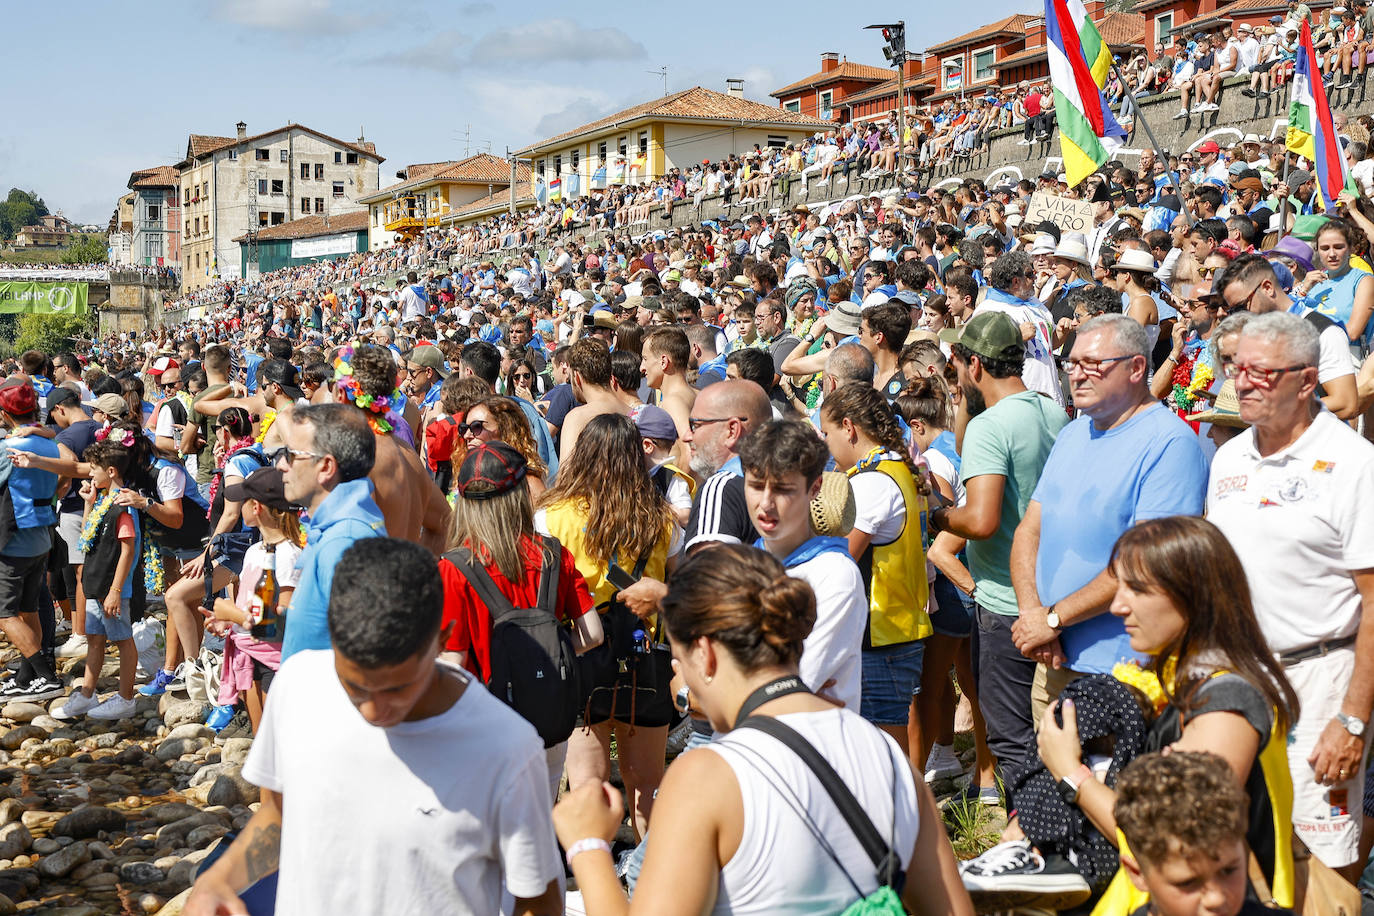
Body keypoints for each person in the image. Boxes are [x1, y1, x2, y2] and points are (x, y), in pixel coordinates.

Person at [552, 543, 973, 916]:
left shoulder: (706, 776)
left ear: (706, 654)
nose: (679, 683)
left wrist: (587, 848)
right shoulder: (883, 752)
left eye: (678, 666)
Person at [184, 538, 563, 916]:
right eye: (354, 685)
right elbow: (280, 816)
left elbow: (537, 900)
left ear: (442, 641)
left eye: (398, 687)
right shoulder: (297, 686)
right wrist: (218, 882)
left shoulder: (506, 747)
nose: (372, 709)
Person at [1035, 516, 1300, 910]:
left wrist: (1072, 776)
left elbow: (1178, 841)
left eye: (1136, 589)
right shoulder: (1183, 684)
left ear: (1193, 595)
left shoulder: (1225, 706)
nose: (1117, 604)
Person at [1206, 311, 1374, 878]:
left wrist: (1351, 720)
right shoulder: (1229, 456)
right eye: (1237, 367)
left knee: (1319, 869)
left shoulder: (1354, 465)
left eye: (1261, 372)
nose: (1242, 381)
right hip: (1234, 683)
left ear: (1306, 382)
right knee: (1234, 856)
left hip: (1318, 686)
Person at [1011, 314, 1208, 721]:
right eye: (1072, 364)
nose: (1077, 376)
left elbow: (1145, 562)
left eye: (1093, 364)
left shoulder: (1169, 443)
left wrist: (1053, 618)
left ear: (1137, 368)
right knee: (1051, 781)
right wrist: (1035, 616)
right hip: (1053, 659)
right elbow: (1030, 529)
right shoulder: (1073, 433)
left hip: (1120, 670)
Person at [928, 312, 1068, 786]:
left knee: (1011, 737)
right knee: (1052, 729)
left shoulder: (993, 427)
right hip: (1051, 594)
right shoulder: (1051, 409)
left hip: (1006, 603)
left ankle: (1030, 831)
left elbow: (981, 521)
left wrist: (938, 514)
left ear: (974, 364)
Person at [537, 413, 678, 841]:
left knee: (586, 790)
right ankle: (651, 884)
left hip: (582, 652)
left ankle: (593, 873)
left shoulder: (551, 517)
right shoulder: (660, 519)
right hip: (645, 656)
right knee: (647, 790)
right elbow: (673, 582)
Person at [438, 441, 603, 801]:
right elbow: (592, 633)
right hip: (545, 715)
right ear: (519, 495)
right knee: (540, 821)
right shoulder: (553, 555)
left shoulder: (454, 568)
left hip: (482, 728)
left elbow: (453, 663)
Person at [820, 383, 931, 759]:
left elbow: (840, 556)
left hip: (881, 633)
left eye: (827, 433)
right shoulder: (894, 466)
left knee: (882, 745)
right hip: (893, 627)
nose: (826, 443)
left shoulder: (871, 482)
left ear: (848, 428)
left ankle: (902, 815)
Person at [738, 419, 867, 710]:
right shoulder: (742, 566)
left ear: (815, 488)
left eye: (783, 489)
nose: (766, 504)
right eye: (756, 486)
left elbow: (792, 685)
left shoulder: (835, 575)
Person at [277, 404, 387, 661]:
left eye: (291, 454)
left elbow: (365, 659)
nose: (282, 465)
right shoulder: (337, 530)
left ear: (326, 467)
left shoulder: (344, 543)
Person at [51, 431, 148, 720]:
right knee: (94, 638)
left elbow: (128, 550)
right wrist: (89, 503)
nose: (89, 472)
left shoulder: (123, 506)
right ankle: (87, 694)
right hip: (96, 584)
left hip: (111, 588)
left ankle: (126, 698)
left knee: (122, 639)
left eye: (93, 468)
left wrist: (117, 590)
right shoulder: (105, 499)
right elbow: (88, 538)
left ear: (111, 471)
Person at [206, 466, 302, 734]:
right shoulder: (253, 552)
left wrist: (232, 614)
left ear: (256, 507)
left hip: (276, 659)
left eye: (243, 500)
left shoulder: (289, 555)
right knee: (261, 740)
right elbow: (251, 607)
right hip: (249, 652)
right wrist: (225, 622)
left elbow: (284, 619)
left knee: (277, 741)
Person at [1217, 253, 1358, 419]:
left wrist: (1277, 411)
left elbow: (1346, 403)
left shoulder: (1323, 332)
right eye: (1232, 311)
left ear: (1268, 288)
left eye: (1240, 307)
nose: (1236, 317)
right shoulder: (1254, 337)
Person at [0, 380, 63, 700]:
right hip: (42, 535)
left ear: (5, 414)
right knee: (28, 610)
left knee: (5, 613)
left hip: (14, 540)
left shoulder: (7, 447)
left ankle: (45, 674)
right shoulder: (49, 444)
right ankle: (26, 677)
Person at [683, 379, 773, 550]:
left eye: (695, 425)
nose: (686, 436)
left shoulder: (720, 487)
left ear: (732, 431)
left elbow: (710, 573)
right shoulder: (791, 485)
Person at [974, 251, 1064, 406]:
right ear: (1016, 281)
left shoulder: (1036, 303)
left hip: (1050, 395)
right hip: (1018, 401)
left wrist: (1063, 331)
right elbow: (980, 353)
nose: (1035, 277)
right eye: (1030, 274)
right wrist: (1016, 337)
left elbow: (1050, 344)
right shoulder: (989, 309)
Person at [458, 396, 550, 499]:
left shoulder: (528, 484)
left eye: (476, 427)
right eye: (464, 429)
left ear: (505, 429)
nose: (466, 436)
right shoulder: (464, 477)